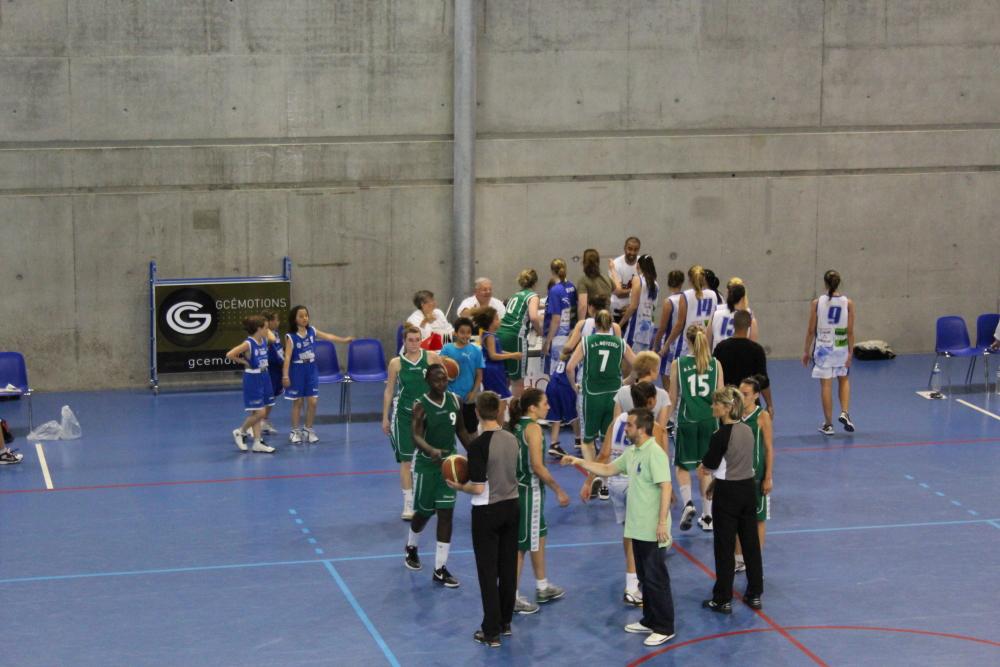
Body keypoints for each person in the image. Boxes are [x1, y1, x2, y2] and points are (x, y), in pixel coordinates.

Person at [562, 407, 675, 647]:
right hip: (637, 527)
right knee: (645, 577)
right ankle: (650, 620)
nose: (626, 429)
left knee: (656, 579)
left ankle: (665, 627)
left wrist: (662, 522)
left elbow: (666, 487)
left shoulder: (655, 453)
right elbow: (607, 469)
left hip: (653, 529)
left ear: (641, 429)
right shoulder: (633, 452)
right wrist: (578, 461)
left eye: (630, 425)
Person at [446, 392, 519, 648]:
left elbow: (477, 487)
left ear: (477, 412)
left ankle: (491, 631)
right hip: (512, 507)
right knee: (508, 568)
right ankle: (505, 622)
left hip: (487, 511)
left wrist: (458, 486)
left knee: (488, 572)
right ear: (498, 411)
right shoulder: (512, 438)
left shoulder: (477, 445)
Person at [597, 382, 669, 608]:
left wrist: (590, 480)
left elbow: (604, 453)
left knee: (628, 533)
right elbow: (661, 464)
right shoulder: (653, 428)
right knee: (640, 537)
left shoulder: (618, 420)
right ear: (651, 401)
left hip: (615, 483)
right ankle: (633, 587)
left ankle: (632, 581)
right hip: (635, 484)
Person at [404, 365, 473, 587]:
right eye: (437, 380)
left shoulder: (455, 401)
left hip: (449, 465)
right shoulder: (420, 406)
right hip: (426, 465)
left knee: (446, 513)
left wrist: (476, 453)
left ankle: (440, 569)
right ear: (428, 381)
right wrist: (430, 450)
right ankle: (411, 546)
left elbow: (461, 431)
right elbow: (415, 436)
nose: (442, 384)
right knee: (425, 512)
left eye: (444, 380)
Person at [699, 387, 764, 614]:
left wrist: (708, 474)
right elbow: (737, 463)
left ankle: (722, 598)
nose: (713, 407)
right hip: (747, 489)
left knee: (724, 546)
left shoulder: (720, 436)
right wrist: (716, 482)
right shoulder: (747, 429)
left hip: (728, 495)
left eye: (717, 403)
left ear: (727, 408)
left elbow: (709, 465)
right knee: (750, 544)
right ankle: (755, 594)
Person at [509, 388, 570, 615]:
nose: (549, 406)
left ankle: (542, 586)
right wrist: (558, 489)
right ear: (532, 407)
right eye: (545, 403)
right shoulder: (533, 429)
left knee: (538, 537)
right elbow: (537, 465)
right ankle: (511, 597)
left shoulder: (516, 425)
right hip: (529, 492)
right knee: (520, 546)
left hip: (519, 489)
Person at [567, 310, 636, 501]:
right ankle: (606, 486)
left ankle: (594, 475)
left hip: (592, 395)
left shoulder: (587, 341)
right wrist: (627, 381)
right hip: (614, 396)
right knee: (608, 441)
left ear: (595, 324)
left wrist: (574, 386)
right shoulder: (620, 342)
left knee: (588, 440)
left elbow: (570, 367)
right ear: (611, 324)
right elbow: (638, 365)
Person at [666, 325, 723, 532]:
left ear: (687, 341)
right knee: (705, 468)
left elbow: (672, 397)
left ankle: (688, 503)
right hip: (709, 421)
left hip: (687, 420)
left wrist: (662, 421)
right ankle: (708, 517)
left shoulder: (679, 364)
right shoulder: (715, 364)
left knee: (682, 466)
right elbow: (721, 396)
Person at [383, 324, 442, 520]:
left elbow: (442, 383)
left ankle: (427, 498)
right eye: (410, 340)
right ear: (404, 341)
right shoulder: (396, 363)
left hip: (427, 417)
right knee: (406, 461)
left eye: (418, 340)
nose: (414, 343)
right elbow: (389, 391)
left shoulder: (431, 357)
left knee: (430, 459)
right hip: (404, 416)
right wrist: (384, 417)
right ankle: (408, 504)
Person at [282, 305, 353, 444]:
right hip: (297, 369)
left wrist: (344, 340)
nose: (304, 318)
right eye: (301, 316)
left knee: (313, 401)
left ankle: (308, 429)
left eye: (306, 315)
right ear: (294, 319)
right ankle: (295, 431)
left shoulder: (312, 331)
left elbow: (328, 336)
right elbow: (287, 357)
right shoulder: (290, 337)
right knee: (298, 402)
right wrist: (285, 375)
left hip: (311, 369)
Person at [802, 270, 856, 435]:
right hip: (841, 347)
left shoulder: (817, 303)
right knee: (843, 379)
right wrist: (850, 352)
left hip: (823, 349)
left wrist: (806, 351)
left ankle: (828, 424)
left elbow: (811, 330)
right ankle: (845, 412)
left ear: (825, 283)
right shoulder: (848, 303)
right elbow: (850, 331)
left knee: (826, 385)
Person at [735, 376, 773, 573]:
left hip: (755, 476)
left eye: (746, 394)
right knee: (736, 518)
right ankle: (738, 558)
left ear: (756, 395)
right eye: (740, 393)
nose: (742, 397)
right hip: (735, 476)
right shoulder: (733, 414)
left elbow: (768, 448)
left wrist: (768, 477)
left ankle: (755, 561)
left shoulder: (762, 416)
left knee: (758, 519)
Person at [225, 315, 276, 453]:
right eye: (265, 328)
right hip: (253, 378)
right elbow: (230, 354)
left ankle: (257, 442)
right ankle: (240, 431)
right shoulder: (248, 343)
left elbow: (273, 338)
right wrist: (244, 362)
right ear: (259, 329)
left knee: (258, 411)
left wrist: (265, 326)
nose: (268, 330)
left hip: (264, 375)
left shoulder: (264, 340)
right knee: (260, 412)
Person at [713, 310, 774, 416]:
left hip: (727, 404)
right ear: (750, 325)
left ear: (733, 324)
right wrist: (769, 404)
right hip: (749, 405)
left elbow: (714, 376)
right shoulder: (757, 350)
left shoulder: (721, 347)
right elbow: (763, 381)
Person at [497, 270, 544, 397]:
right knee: (518, 381)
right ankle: (517, 408)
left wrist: (544, 306)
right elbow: (533, 317)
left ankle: (503, 406)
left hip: (501, 334)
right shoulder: (533, 296)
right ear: (535, 282)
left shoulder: (515, 295)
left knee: (505, 377)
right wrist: (540, 332)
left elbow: (528, 308)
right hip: (515, 336)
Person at [662, 265, 717, 360]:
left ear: (690, 280)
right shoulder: (713, 294)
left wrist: (667, 344)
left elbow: (679, 324)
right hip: (704, 341)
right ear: (704, 278)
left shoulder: (686, 295)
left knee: (681, 368)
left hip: (688, 342)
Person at [440, 317, 484, 433]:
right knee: (449, 431)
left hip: (468, 397)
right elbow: (440, 370)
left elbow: (479, 375)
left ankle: (473, 446)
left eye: (468, 332)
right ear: (455, 333)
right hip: (450, 396)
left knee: (471, 431)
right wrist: (442, 362)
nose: (465, 335)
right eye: (462, 332)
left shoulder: (476, 350)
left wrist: (473, 393)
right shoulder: (447, 349)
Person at [613, 351, 671, 429]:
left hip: (626, 435)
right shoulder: (663, 395)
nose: (658, 371)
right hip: (650, 435)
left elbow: (616, 423)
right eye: (657, 369)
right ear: (651, 371)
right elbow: (661, 428)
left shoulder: (622, 391)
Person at [473, 307, 519, 401]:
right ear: (490, 322)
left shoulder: (488, 335)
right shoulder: (490, 337)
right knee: (500, 398)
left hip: (494, 369)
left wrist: (513, 354)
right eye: (497, 318)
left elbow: (498, 351)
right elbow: (493, 355)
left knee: (496, 398)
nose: (499, 321)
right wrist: (512, 355)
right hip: (493, 370)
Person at [541, 259, 577, 376]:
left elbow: (556, 319)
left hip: (556, 337)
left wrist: (548, 342)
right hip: (570, 335)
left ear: (552, 271)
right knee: (566, 372)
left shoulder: (555, 290)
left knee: (554, 373)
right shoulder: (572, 287)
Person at [617, 254, 659, 353]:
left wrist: (620, 324)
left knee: (628, 359)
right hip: (648, 328)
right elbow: (652, 307)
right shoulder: (656, 284)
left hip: (636, 327)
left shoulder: (637, 279)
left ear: (638, 265)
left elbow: (634, 306)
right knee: (642, 360)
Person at [654, 270, 686, 390]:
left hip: (670, 343)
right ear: (682, 282)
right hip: (682, 342)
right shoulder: (687, 298)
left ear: (668, 282)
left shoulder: (669, 301)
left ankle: (670, 400)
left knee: (666, 376)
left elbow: (662, 327)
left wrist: (656, 344)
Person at [543, 348, 578, 459]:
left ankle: (554, 444)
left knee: (556, 417)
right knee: (573, 414)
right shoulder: (576, 357)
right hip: (564, 387)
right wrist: (574, 386)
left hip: (552, 385)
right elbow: (570, 371)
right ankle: (579, 439)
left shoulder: (564, 356)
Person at [708, 279, 759, 351]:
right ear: (743, 296)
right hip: (739, 355)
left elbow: (707, 342)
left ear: (728, 293)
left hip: (718, 355)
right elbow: (752, 347)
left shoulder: (716, 313)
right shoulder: (749, 316)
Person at [259, 311, 284, 438]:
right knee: (268, 397)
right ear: (268, 322)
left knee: (273, 396)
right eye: (276, 320)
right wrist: (267, 328)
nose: (278, 322)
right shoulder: (265, 334)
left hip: (278, 368)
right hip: (270, 369)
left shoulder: (276, 333)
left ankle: (264, 420)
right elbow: (271, 340)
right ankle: (257, 422)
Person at [576, 248, 614, 323]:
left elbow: (583, 306)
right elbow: (619, 290)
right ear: (598, 262)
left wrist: (580, 324)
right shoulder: (606, 278)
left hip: (593, 322)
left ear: (584, 263)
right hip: (608, 321)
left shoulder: (583, 281)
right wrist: (613, 270)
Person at [609, 237, 642, 321]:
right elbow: (618, 293)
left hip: (636, 310)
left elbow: (647, 289)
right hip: (619, 310)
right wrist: (637, 291)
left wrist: (631, 306)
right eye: (630, 249)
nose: (632, 252)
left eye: (635, 250)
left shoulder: (642, 263)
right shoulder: (616, 264)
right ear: (624, 248)